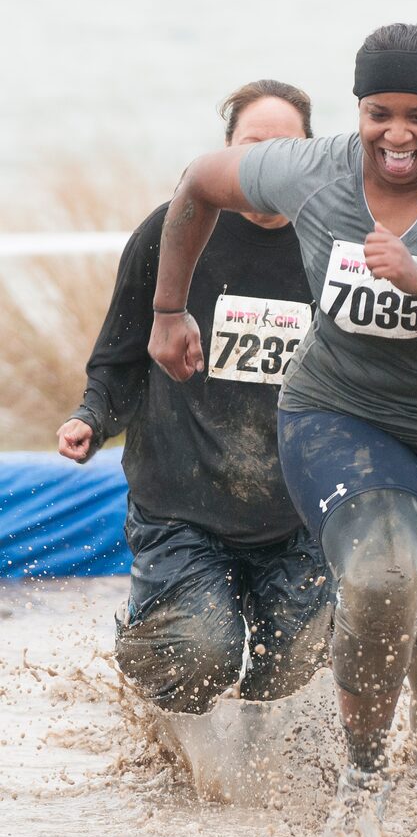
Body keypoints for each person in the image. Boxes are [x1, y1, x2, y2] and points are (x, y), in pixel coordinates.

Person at [145, 24, 417, 837]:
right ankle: (361, 776)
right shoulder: (311, 167)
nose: (398, 135)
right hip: (342, 415)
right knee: (380, 575)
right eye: (380, 113)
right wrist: (166, 310)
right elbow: (198, 184)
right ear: (358, 109)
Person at [57, 80, 333, 715]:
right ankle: (157, 676)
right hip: (180, 507)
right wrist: (91, 417)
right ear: (226, 155)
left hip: (297, 513)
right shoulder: (172, 231)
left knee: (292, 668)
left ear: (310, 156)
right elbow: (120, 356)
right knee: (202, 654)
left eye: (283, 149)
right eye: (251, 147)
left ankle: (261, 759)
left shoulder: (335, 242)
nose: (265, 165)